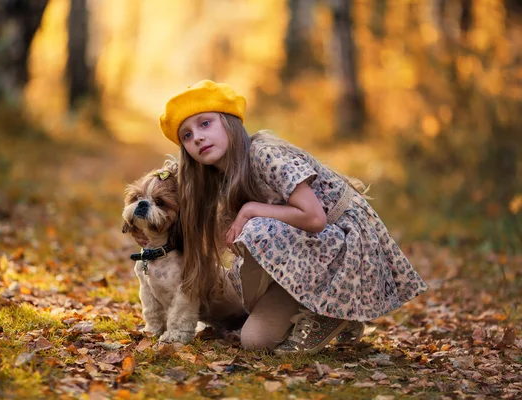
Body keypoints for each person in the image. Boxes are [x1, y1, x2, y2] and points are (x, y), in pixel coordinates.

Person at [158, 79, 427, 354]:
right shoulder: (218, 176)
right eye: (187, 136)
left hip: (342, 246)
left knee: (256, 234)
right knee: (233, 322)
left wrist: (250, 210)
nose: (198, 137)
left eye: (205, 124)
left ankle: (329, 312)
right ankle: (308, 305)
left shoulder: (265, 155)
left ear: (229, 122)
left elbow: (315, 218)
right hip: (305, 256)